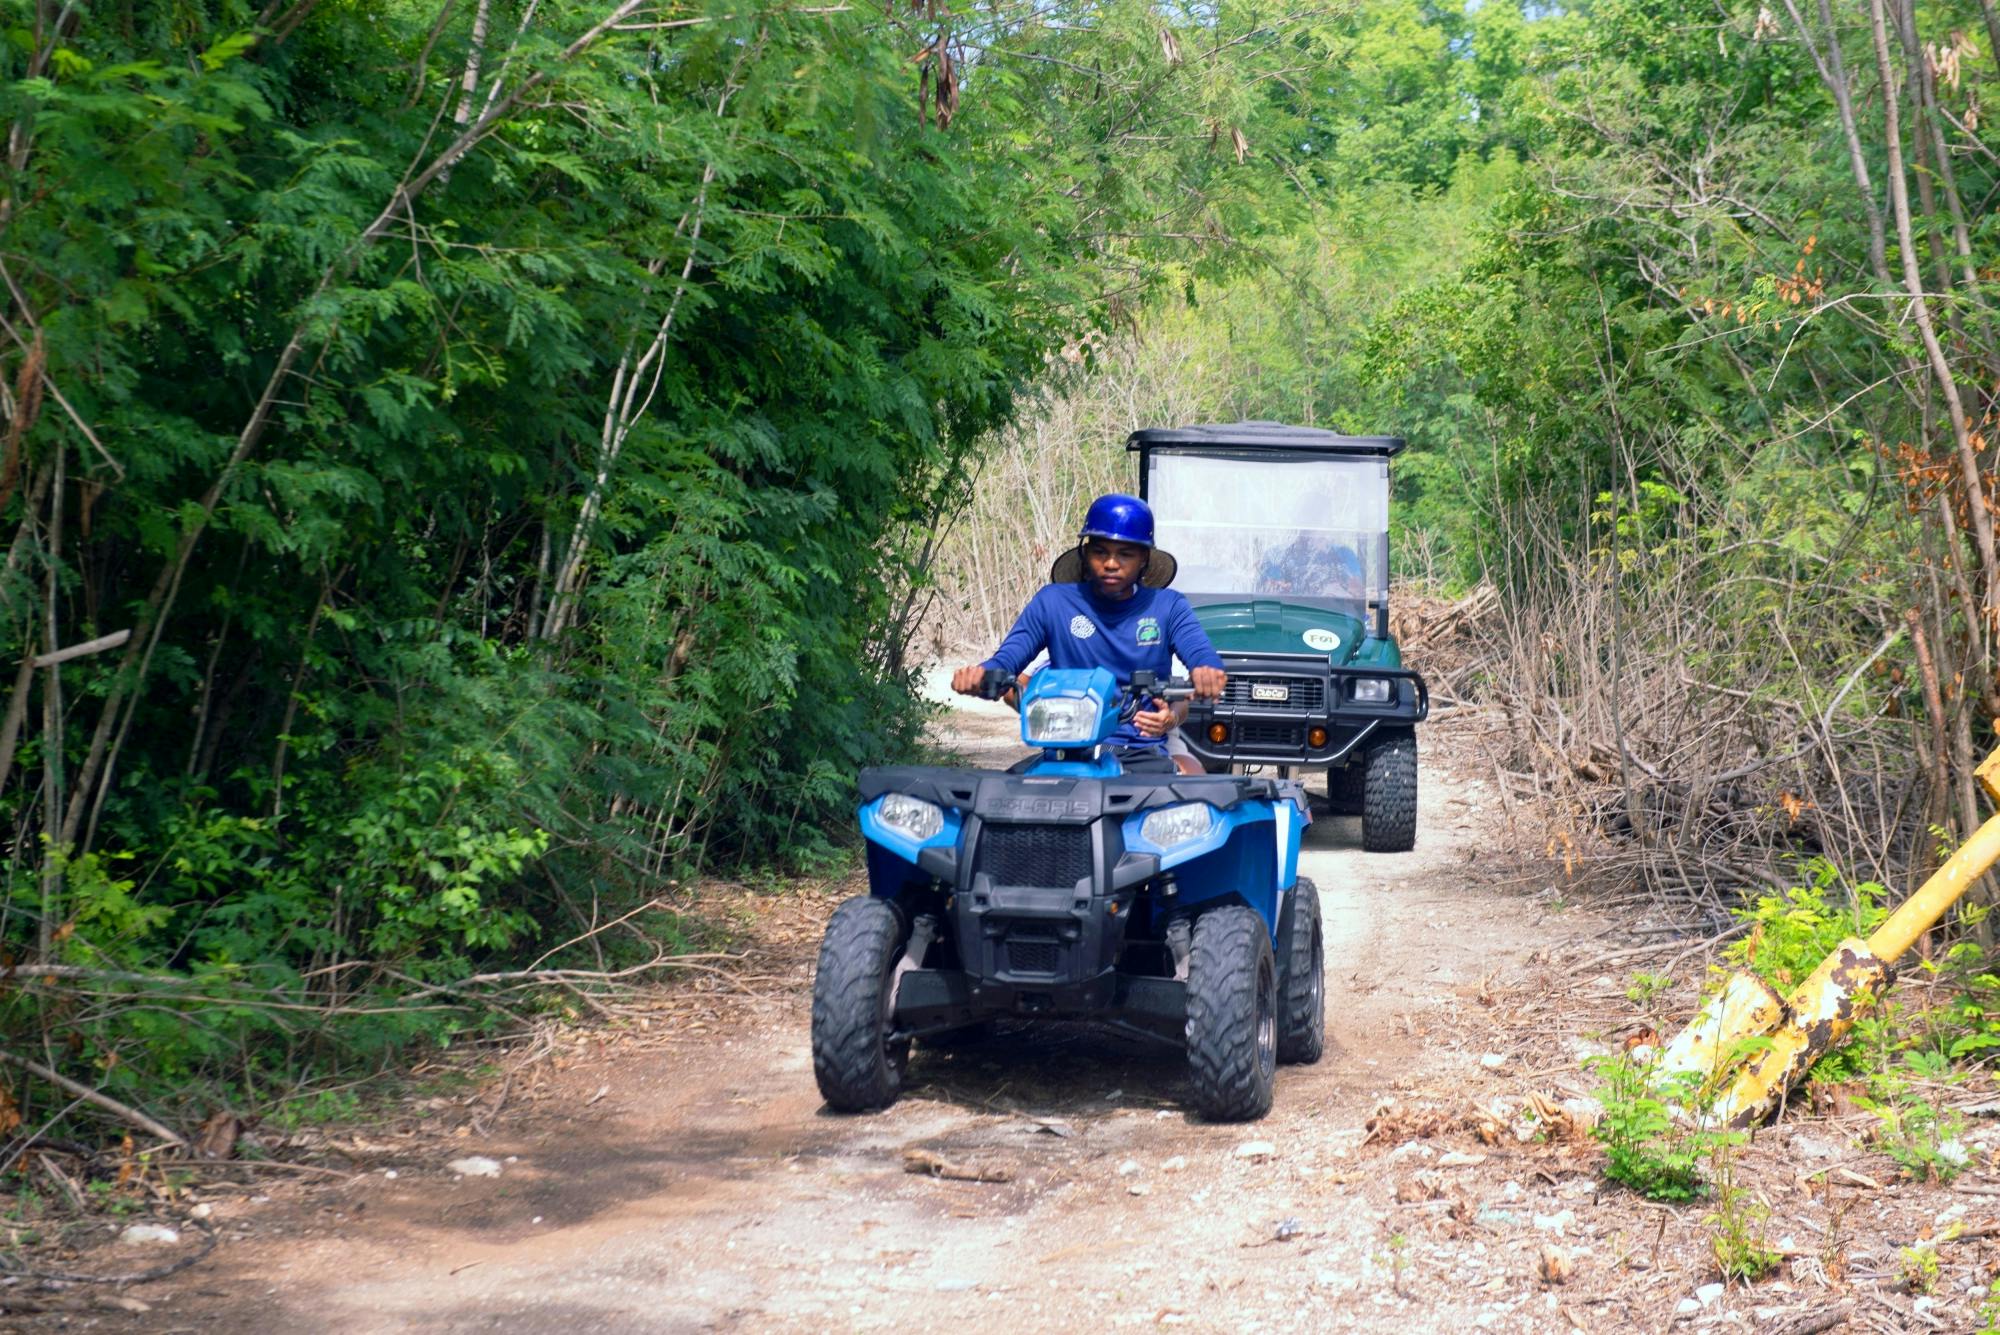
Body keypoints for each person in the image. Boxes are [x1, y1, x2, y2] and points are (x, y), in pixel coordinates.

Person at [951, 494, 1226, 773]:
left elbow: (1202, 654)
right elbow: (1006, 660)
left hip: (1140, 751)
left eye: (1125, 554)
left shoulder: (1169, 606)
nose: (1110, 563)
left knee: (1193, 802)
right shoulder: (1053, 602)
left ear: (1144, 559)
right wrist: (979, 677)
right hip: (1063, 752)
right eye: (1100, 552)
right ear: (1085, 554)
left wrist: (1207, 672)